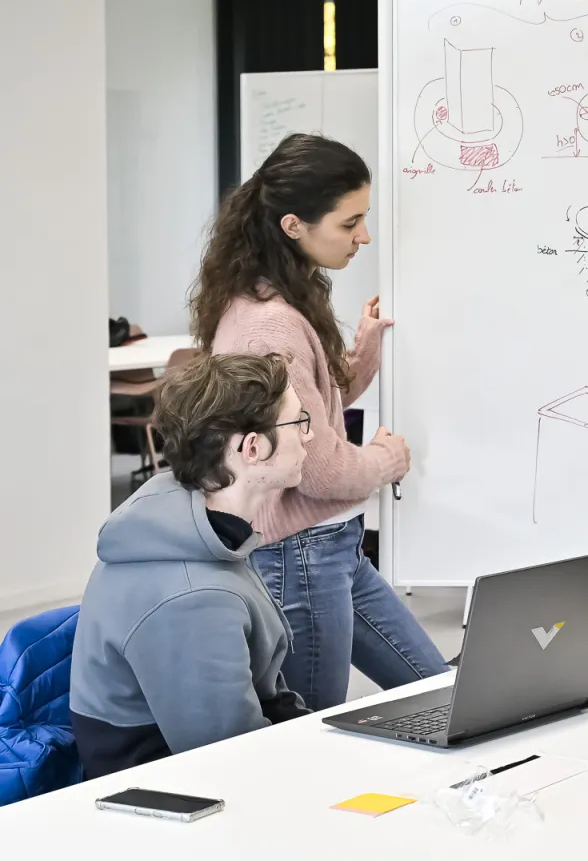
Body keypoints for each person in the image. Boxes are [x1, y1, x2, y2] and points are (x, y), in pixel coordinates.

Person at [191, 133, 447, 710]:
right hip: (299, 555)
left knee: (438, 692)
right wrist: (386, 461)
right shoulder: (270, 326)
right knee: (310, 731)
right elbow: (319, 469)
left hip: (329, 548)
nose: (365, 236)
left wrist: (363, 352)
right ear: (293, 226)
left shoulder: (275, 301)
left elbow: (312, 413)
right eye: (349, 222)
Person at [70, 354, 313, 778]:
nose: (309, 437)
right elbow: (228, 764)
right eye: (298, 423)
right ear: (252, 448)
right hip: (179, 800)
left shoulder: (196, 524)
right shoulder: (192, 598)